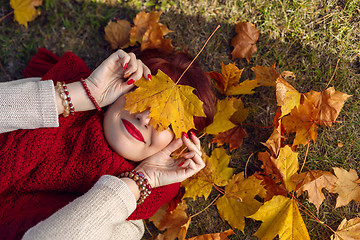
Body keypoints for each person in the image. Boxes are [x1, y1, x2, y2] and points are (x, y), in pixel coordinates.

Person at [0, 47, 215, 239]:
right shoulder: (50, 98)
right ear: (120, 89)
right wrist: (81, 94)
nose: (144, 118)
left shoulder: (125, 220)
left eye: (166, 121)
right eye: (142, 96)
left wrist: (141, 181)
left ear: (179, 146)